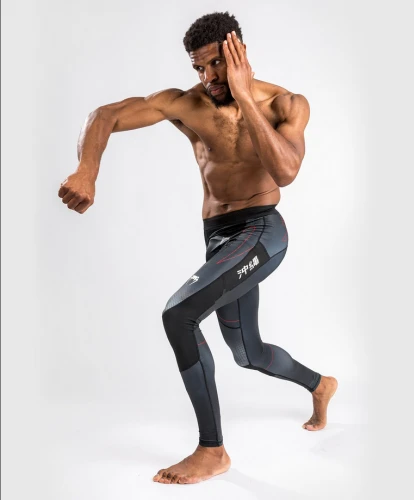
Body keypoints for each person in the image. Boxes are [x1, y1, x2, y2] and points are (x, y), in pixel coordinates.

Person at [58, 11, 338, 485]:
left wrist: (244, 95)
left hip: (262, 231)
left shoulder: (285, 104)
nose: (208, 77)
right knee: (247, 352)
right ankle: (320, 384)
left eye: (216, 64)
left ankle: (212, 451)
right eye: (199, 68)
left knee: (179, 314)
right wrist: (87, 170)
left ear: (239, 53)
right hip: (218, 238)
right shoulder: (187, 103)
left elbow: (287, 170)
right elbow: (104, 115)